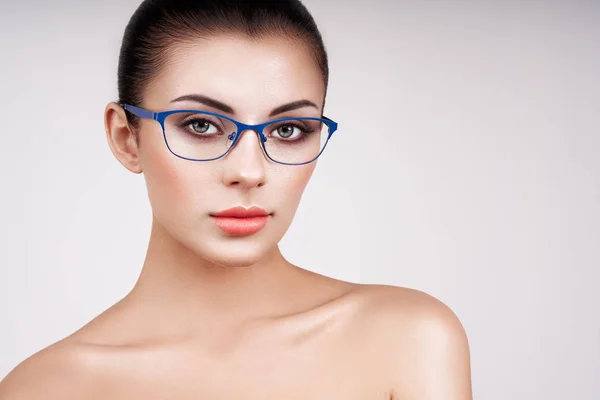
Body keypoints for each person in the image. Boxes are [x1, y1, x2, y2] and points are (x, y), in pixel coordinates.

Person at [0, 1, 472, 398]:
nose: (249, 172)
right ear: (126, 137)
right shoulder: (42, 388)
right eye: (201, 125)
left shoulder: (409, 338)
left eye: (288, 130)